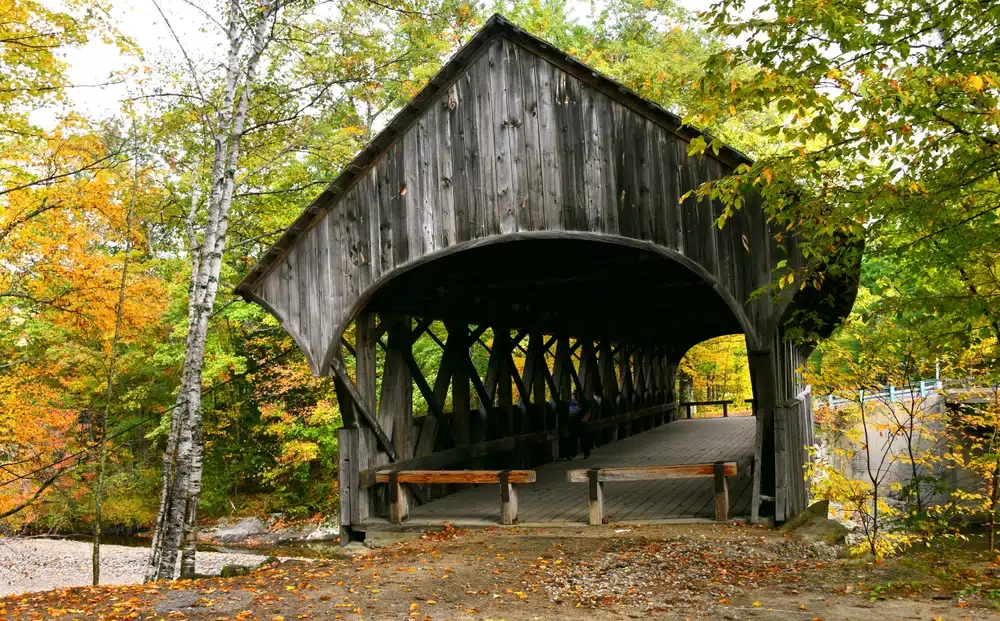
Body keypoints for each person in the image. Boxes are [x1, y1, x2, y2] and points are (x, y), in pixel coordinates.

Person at [567, 390, 591, 459]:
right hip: (572, 424)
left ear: (578, 396)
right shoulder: (570, 403)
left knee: (584, 439)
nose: (574, 397)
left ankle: (586, 454)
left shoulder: (583, 402)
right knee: (572, 440)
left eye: (576, 395)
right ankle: (572, 454)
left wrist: (585, 419)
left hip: (581, 424)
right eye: (573, 395)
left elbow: (588, 412)